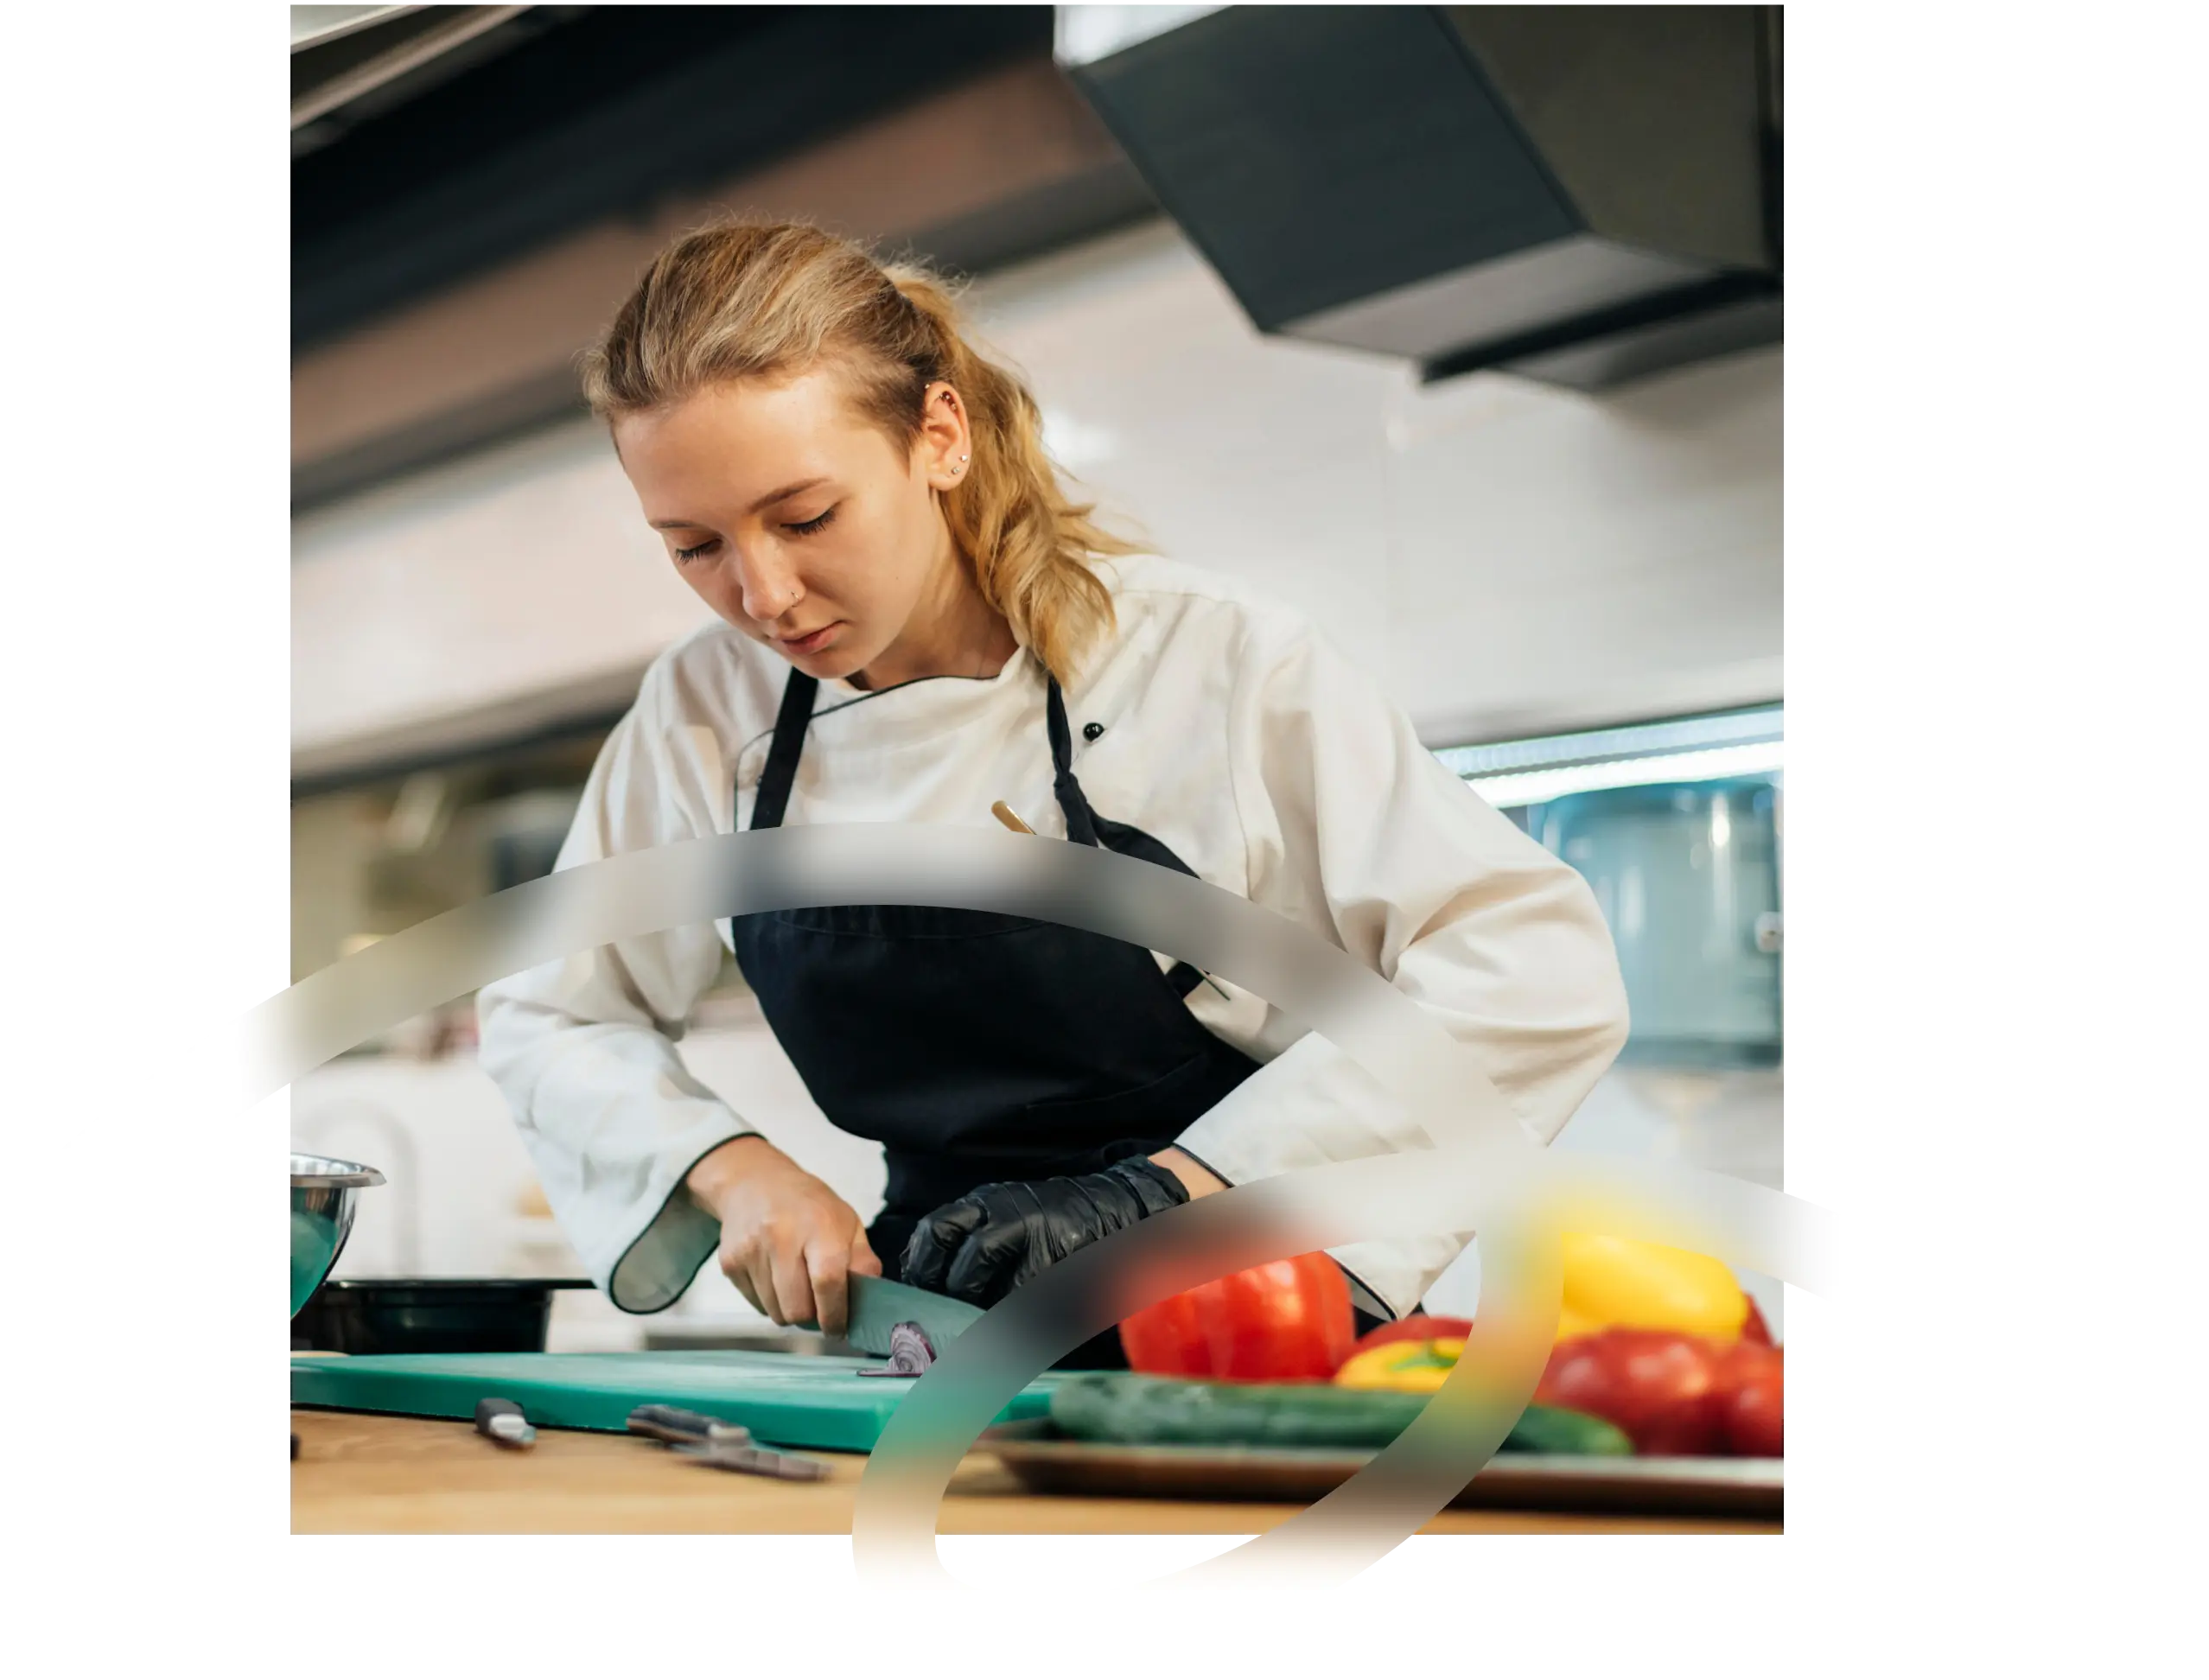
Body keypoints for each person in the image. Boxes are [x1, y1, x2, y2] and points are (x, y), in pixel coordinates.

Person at [474, 220, 1630, 1359]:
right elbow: (553, 1005)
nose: (764, 594)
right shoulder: (708, 711)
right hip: (928, 1339)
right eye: (695, 546)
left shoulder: (1208, 662)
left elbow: (1532, 971)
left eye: (807, 517)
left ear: (938, 435)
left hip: (1248, 1322)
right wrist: (729, 1171)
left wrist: (1167, 1196)